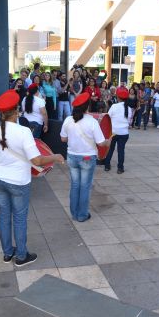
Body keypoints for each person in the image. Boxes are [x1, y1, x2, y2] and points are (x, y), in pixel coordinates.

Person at [0, 91, 64, 267]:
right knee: (19, 219)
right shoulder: (23, 131)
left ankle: (7, 253)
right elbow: (37, 160)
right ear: (16, 111)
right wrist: (55, 156)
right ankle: (21, 256)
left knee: (4, 217)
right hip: (19, 181)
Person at [60, 93, 110, 222]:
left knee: (75, 185)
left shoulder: (67, 120)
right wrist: (108, 141)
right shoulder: (92, 121)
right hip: (87, 158)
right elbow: (100, 143)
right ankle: (82, 215)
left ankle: (74, 213)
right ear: (87, 106)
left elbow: (63, 138)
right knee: (85, 187)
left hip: (72, 157)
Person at [104, 88, 130, 174]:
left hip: (113, 133)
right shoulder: (129, 108)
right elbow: (129, 121)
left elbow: (108, 117)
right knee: (121, 150)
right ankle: (120, 168)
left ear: (118, 97)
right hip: (124, 133)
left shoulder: (114, 106)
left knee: (110, 149)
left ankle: (107, 166)